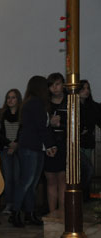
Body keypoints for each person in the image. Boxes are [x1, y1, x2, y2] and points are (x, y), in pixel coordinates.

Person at [11, 76, 57, 227]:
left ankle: (29, 214)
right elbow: (41, 127)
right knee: (26, 182)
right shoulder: (35, 103)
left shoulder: (35, 103)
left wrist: (49, 145)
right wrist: (50, 146)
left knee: (32, 184)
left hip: (36, 148)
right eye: (46, 86)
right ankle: (15, 213)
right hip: (30, 148)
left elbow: (44, 127)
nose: (49, 89)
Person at [0, 89, 22, 214]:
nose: (10, 100)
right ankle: (8, 204)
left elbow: (24, 131)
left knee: (18, 177)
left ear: (18, 99)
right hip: (5, 150)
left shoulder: (22, 115)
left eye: (13, 97)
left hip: (19, 149)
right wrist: (9, 144)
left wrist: (15, 144)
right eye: (8, 97)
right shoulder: (2, 115)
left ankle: (18, 204)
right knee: (8, 177)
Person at [45, 72, 67, 215]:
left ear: (63, 84)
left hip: (65, 144)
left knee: (63, 179)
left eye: (58, 84)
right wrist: (50, 123)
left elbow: (78, 124)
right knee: (51, 180)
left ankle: (63, 213)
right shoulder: (46, 103)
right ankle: (52, 213)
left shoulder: (70, 101)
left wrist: (61, 123)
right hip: (49, 144)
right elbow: (40, 126)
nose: (55, 88)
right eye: (52, 85)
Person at [79, 80, 101, 197]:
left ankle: (83, 196)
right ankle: (80, 196)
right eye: (83, 88)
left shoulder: (94, 107)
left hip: (87, 143)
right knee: (87, 169)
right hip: (74, 144)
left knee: (85, 171)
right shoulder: (70, 105)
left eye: (88, 88)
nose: (86, 91)